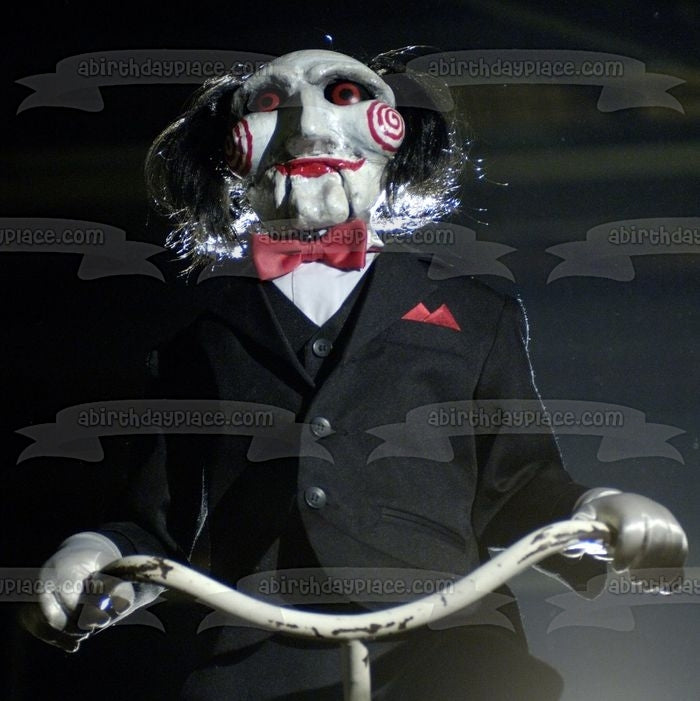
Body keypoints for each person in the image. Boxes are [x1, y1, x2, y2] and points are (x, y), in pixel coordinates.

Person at [28, 48, 688, 700]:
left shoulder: (476, 314)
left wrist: (598, 512)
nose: (308, 127)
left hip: (447, 644)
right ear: (231, 155)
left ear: (396, 142)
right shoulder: (196, 336)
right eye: (269, 103)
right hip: (257, 652)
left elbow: (516, 486)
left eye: (344, 95)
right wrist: (94, 555)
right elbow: (155, 522)